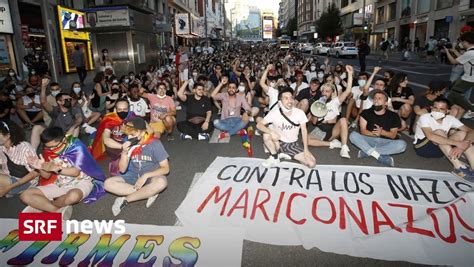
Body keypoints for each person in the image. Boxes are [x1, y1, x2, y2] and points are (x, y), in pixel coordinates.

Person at [21, 127, 105, 218]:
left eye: (55, 146)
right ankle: (56, 210)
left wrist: (57, 169)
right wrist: (40, 167)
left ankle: (46, 205)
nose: (53, 149)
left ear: (64, 139)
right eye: (49, 147)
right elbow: (46, 176)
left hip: (82, 182)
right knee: (25, 195)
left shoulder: (76, 146)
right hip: (61, 184)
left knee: (73, 196)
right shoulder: (48, 151)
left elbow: (75, 172)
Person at [104, 117, 169, 216]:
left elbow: (166, 168)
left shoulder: (154, 144)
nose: (129, 138)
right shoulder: (129, 143)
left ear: (142, 133)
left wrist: (146, 175)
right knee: (107, 184)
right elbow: (122, 169)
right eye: (128, 134)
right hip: (133, 175)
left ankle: (125, 200)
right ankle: (149, 192)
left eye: (133, 134)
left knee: (161, 183)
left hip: (151, 176)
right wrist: (124, 153)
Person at [413, 98, 474, 183]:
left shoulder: (450, 119)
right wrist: (457, 143)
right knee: (439, 132)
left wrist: (463, 146)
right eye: (435, 108)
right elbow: (430, 136)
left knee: (464, 134)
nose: (437, 111)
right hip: (423, 147)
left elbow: (471, 131)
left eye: (441, 109)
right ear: (431, 108)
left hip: (441, 148)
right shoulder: (425, 117)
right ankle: (458, 168)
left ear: (447, 111)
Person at [257, 86, 316, 168]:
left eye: (291, 98)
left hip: (292, 144)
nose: (290, 101)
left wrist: (306, 150)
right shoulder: (274, 113)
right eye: (286, 98)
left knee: (312, 163)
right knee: (266, 134)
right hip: (278, 142)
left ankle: (285, 154)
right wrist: (271, 132)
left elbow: (304, 131)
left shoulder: (299, 113)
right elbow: (259, 125)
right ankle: (275, 156)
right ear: (280, 102)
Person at [349, 89, 407, 167]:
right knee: (353, 135)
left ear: (386, 103)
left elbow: (393, 135)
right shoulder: (365, 113)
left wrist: (382, 132)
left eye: (379, 98)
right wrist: (375, 134)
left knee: (402, 145)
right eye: (375, 98)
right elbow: (363, 131)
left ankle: (367, 152)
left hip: (386, 142)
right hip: (369, 139)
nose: (376, 100)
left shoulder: (393, 116)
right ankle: (379, 156)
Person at [308, 65, 354, 159]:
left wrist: (349, 74)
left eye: (327, 91)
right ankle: (331, 144)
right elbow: (314, 122)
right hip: (321, 129)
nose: (325, 93)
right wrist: (317, 109)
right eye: (324, 91)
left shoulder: (335, 101)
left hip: (333, 129)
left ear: (331, 93)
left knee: (343, 120)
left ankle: (344, 147)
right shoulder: (317, 103)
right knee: (306, 141)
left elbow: (348, 91)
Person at [91, 99, 136, 175]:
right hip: (115, 145)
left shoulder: (132, 117)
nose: (122, 112)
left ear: (129, 109)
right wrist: (122, 147)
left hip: (129, 143)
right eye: (119, 109)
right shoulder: (110, 119)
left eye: (125, 109)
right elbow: (106, 139)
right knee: (117, 169)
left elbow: (145, 131)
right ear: (115, 110)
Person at [0, 122, 39, 197]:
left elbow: (35, 173)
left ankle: (10, 190)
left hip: (25, 182)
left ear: (8, 135)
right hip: (10, 175)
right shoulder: (1, 147)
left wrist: (8, 188)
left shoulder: (24, 148)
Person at [445, 31, 474, 117]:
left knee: (454, 94)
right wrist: (454, 51)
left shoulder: (470, 53)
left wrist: (447, 51)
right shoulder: (470, 52)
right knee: (451, 91)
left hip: (468, 78)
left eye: (463, 42)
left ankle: (471, 109)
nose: (462, 44)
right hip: (467, 77)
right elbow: (463, 59)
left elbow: (454, 62)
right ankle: (448, 110)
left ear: (466, 42)